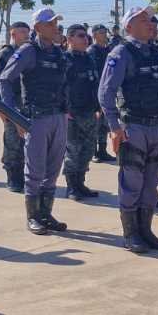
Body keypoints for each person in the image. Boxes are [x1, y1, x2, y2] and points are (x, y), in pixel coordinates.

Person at [98, 6, 158, 253]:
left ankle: (146, 230)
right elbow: (105, 92)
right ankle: (131, 234)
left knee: (151, 182)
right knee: (131, 181)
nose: (150, 23)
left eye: (150, 19)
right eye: (143, 20)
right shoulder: (121, 53)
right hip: (133, 126)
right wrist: (114, 126)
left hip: (156, 125)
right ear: (129, 26)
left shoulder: (156, 52)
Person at [0, 8, 70, 236]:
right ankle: (33, 217)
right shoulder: (28, 51)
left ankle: (46, 214)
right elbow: (4, 80)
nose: (54, 27)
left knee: (53, 169)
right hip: (36, 119)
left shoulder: (59, 53)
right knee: (35, 170)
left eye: (56, 23)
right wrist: (14, 115)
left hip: (58, 117)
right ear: (37, 28)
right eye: (49, 24)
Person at [62, 23, 101, 201]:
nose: (85, 39)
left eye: (85, 36)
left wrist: (98, 107)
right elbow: (60, 87)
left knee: (87, 149)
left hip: (89, 112)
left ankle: (81, 183)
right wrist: (65, 109)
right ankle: (71, 187)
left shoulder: (89, 59)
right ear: (69, 39)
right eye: (80, 36)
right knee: (73, 151)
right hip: (72, 113)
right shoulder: (65, 60)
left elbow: (95, 85)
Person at [0, 21, 30, 192]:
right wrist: (1, 107)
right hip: (11, 105)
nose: (26, 35)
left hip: (27, 105)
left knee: (25, 144)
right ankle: (12, 178)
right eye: (22, 32)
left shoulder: (30, 51)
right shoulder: (7, 53)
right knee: (13, 143)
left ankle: (22, 176)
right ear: (13, 34)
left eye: (27, 31)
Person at [88, 24, 117, 162]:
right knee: (95, 124)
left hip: (107, 92)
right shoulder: (90, 51)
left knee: (105, 125)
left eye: (105, 32)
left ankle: (102, 150)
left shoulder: (109, 51)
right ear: (94, 35)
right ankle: (93, 152)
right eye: (101, 32)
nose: (105, 34)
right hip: (94, 92)